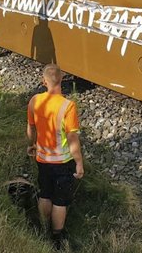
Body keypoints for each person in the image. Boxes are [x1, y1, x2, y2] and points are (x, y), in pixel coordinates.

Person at [26, 63, 84, 250]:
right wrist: (79, 163)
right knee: (60, 200)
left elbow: (31, 128)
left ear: (44, 81)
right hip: (62, 161)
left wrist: (32, 144)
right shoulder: (68, 106)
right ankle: (56, 237)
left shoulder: (35, 101)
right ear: (62, 80)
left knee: (45, 193)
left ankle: (43, 227)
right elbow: (72, 137)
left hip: (42, 159)